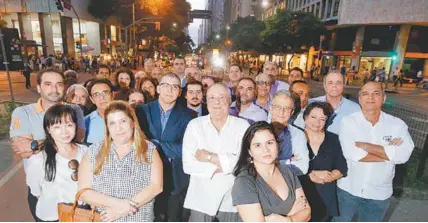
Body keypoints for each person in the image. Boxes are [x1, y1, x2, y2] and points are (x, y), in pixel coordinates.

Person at [9, 69, 85, 221]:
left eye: (59, 84)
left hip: (74, 191)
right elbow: (23, 151)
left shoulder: (75, 110)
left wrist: (35, 143)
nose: (54, 89)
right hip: (43, 189)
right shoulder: (23, 112)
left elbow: (79, 139)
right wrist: (63, 142)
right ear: (38, 87)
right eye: (48, 84)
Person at [334, 82, 414, 222]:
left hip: (379, 194)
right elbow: (351, 153)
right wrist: (389, 153)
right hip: (348, 190)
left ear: (384, 97)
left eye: (376, 93)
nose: (370, 97)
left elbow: (403, 155)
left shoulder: (397, 125)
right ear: (359, 99)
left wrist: (366, 146)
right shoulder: (349, 121)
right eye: (365, 94)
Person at [78, 101, 163, 222]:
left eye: (123, 121)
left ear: (132, 122)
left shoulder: (149, 150)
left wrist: (121, 210)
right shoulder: (93, 151)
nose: (118, 128)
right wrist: (120, 205)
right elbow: (83, 191)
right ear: (107, 127)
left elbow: (156, 186)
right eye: (112, 123)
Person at [182, 83, 250, 221]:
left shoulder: (243, 126)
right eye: (212, 98)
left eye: (222, 97)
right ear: (206, 102)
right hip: (201, 199)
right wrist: (227, 165)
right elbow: (188, 165)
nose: (217, 102)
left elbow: (244, 163)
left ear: (229, 101)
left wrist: (208, 156)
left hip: (232, 199)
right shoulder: (195, 125)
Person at [135, 73, 196, 222]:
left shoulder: (189, 115)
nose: (170, 90)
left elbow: (186, 149)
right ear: (158, 89)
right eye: (166, 85)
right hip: (144, 177)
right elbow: (136, 141)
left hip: (175, 180)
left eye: (175, 86)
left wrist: (153, 143)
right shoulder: (141, 111)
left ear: (180, 92)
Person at [232, 121, 311, 222]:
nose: (266, 149)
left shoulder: (288, 171)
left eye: (269, 143)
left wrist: (288, 220)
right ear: (249, 151)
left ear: (277, 144)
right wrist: (292, 215)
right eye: (257, 145)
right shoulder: (244, 182)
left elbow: (307, 212)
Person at [26, 104, 88, 222]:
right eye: (57, 126)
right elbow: (36, 192)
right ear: (48, 129)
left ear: (75, 126)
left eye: (69, 125)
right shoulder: (38, 160)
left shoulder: (86, 151)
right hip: (52, 217)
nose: (64, 131)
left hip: (82, 214)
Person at [300, 102, 347, 221]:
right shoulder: (295, 137)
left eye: (322, 119)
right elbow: (287, 168)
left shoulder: (333, 139)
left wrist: (328, 177)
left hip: (325, 196)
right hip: (300, 195)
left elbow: (342, 167)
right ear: (305, 117)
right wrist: (311, 176)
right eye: (313, 117)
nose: (317, 122)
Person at [269, 91, 309, 176]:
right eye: (277, 107)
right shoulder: (257, 130)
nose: (281, 112)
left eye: (287, 108)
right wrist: (288, 161)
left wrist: (274, 163)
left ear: (292, 112)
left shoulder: (298, 134)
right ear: (270, 108)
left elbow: (303, 167)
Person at [310, 70, 360, 135]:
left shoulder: (355, 109)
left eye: (338, 83)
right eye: (330, 83)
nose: (334, 86)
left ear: (343, 85)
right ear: (324, 86)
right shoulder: (311, 104)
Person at [85, 79, 114, 144]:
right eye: (96, 95)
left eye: (105, 93)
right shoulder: (86, 122)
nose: (102, 97)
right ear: (92, 99)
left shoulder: (126, 118)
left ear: (112, 95)